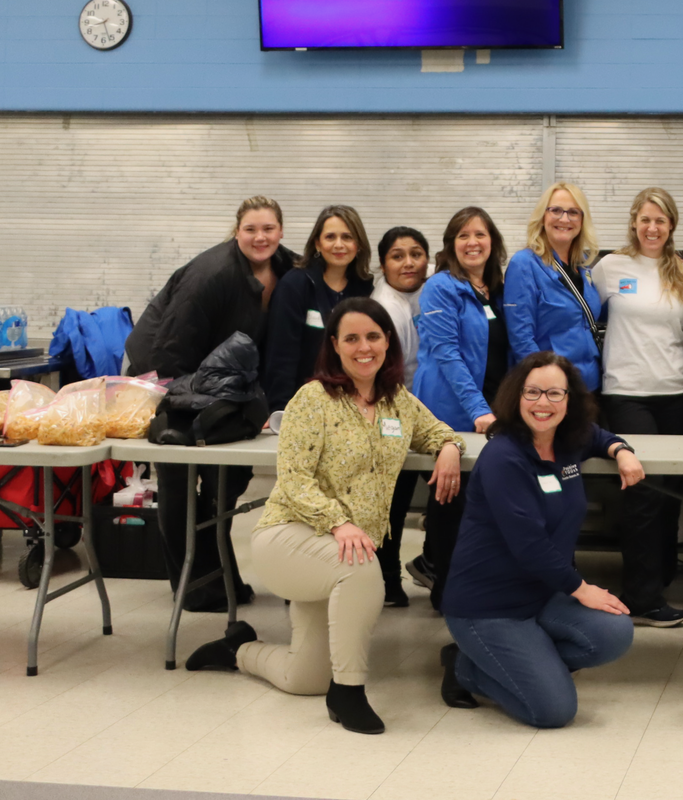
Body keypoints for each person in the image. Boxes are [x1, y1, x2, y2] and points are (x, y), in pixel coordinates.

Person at [185, 298, 464, 736]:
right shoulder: (313, 399)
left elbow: (437, 431)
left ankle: (238, 649)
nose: (363, 347)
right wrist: (340, 522)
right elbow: (294, 479)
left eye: (373, 336)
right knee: (361, 568)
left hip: (338, 550)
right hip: (288, 537)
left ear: (387, 341)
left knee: (304, 679)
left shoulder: (398, 402)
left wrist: (448, 449)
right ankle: (349, 691)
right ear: (334, 345)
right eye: (351, 338)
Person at [438, 351, 642, 728]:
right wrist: (582, 588)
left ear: (569, 401)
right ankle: (465, 667)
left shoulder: (567, 440)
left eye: (554, 394)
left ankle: (522, 660)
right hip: (488, 607)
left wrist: (621, 450)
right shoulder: (504, 457)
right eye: (533, 392)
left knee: (614, 632)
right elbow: (529, 544)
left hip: (541, 596)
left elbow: (597, 436)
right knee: (554, 711)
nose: (543, 403)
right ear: (516, 396)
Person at [124, 195, 294, 612]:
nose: (260, 237)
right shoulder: (211, 273)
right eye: (251, 229)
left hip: (223, 384)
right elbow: (168, 351)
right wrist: (187, 404)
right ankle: (194, 586)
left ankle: (222, 575)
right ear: (237, 231)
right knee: (181, 483)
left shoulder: (288, 267)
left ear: (281, 232)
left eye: (268, 228)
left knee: (225, 484)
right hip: (167, 376)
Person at [591, 188, 683, 627]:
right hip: (626, 392)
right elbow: (586, 320)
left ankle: (660, 577)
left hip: (675, 393)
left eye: (661, 221)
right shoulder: (609, 268)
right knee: (643, 495)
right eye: (645, 220)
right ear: (634, 223)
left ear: (671, 226)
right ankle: (641, 597)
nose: (652, 228)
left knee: (670, 496)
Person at [409, 207, 510, 610]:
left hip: (492, 408)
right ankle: (446, 589)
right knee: (452, 501)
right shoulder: (440, 287)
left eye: (480, 234)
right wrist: (478, 411)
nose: (473, 242)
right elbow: (448, 355)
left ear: (492, 241)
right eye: (463, 235)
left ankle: (472, 582)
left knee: (483, 502)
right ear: (451, 244)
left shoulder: (497, 287)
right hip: (452, 409)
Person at [370, 226, 431, 608]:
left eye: (416, 254)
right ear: (383, 264)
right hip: (391, 409)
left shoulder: (433, 291)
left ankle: (430, 564)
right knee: (391, 498)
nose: (408, 263)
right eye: (397, 256)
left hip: (428, 407)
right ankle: (386, 579)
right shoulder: (383, 305)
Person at [263, 205, 374, 412]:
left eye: (347, 237)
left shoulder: (365, 289)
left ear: (358, 244)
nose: (339, 245)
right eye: (330, 237)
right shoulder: (294, 286)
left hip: (351, 406)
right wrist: (280, 411)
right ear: (317, 243)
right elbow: (281, 356)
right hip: (303, 406)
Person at [505, 182, 604, 393]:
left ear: (582, 220)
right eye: (556, 210)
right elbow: (521, 339)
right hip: (552, 390)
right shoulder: (524, 264)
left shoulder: (584, 265)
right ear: (543, 216)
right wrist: (546, 387)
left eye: (573, 212)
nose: (564, 219)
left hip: (590, 386)